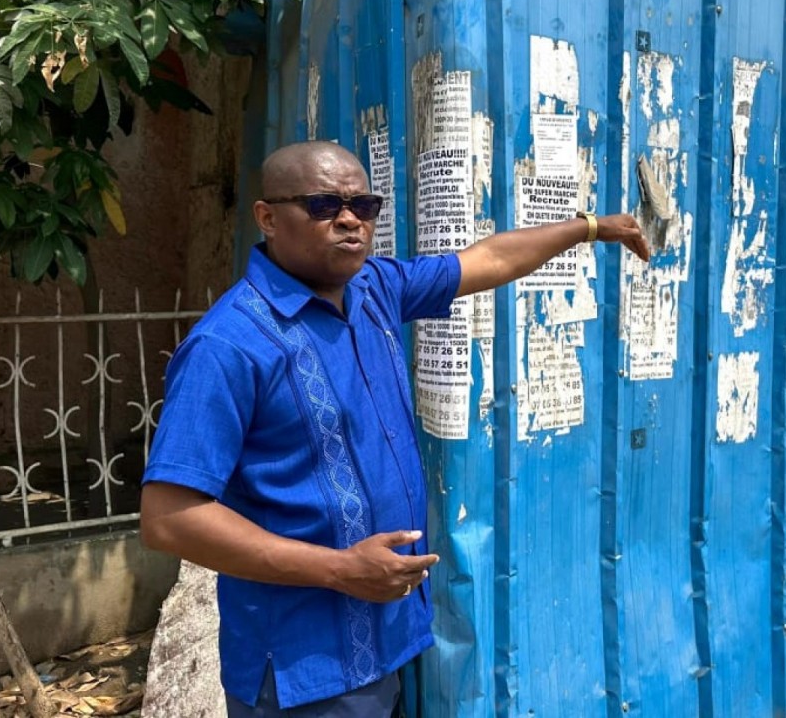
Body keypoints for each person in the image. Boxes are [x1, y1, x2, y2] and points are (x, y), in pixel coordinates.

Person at [140, 141, 651, 717]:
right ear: (267, 218)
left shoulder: (375, 291)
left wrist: (590, 228)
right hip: (302, 665)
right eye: (322, 204)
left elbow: (490, 261)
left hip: (387, 635)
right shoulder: (228, 346)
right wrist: (339, 569)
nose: (350, 218)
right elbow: (168, 518)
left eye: (364, 204)